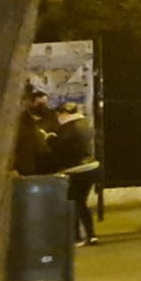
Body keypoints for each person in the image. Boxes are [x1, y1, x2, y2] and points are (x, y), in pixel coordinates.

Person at [51, 102, 100, 245]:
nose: (58, 118)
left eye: (59, 114)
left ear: (64, 113)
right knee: (79, 202)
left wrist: (51, 140)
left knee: (74, 202)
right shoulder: (84, 124)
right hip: (91, 167)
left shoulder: (67, 128)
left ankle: (80, 236)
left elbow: (63, 149)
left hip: (77, 170)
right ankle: (88, 235)